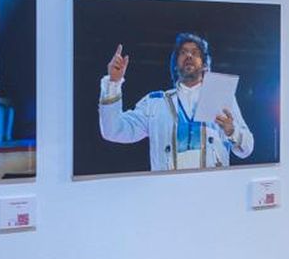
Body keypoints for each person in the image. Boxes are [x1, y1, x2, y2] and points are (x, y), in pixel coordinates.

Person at [99, 33, 254, 170]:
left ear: (205, 64)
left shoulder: (220, 97)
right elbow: (113, 131)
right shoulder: (155, 103)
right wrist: (113, 82)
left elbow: (247, 148)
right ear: (174, 63)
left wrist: (232, 131)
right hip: (168, 195)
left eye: (195, 53)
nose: (189, 56)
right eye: (183, 53)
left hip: (211, 192)